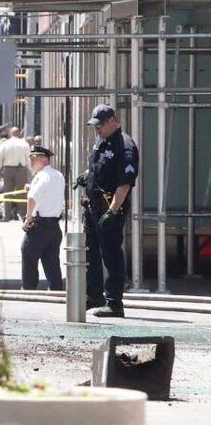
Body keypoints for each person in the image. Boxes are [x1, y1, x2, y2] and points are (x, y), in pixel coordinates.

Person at [80, 104, 138, 318]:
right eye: (95, 126)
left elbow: (125, 183)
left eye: (100, 126)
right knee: (90, 252)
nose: (97, 130)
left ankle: (114, 303)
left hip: (110, 208)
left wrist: (112, 212)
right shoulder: (101, 141)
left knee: (111, 254)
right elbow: (98, 167)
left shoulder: (125, 145)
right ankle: (94, 295)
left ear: (113, 121)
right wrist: (86, 176)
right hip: (92, 207)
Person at [21, 146, 65, 291]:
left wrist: (28, 218)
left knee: (28, 254)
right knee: (51, 261)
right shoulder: (58, 175)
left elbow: (32, 198)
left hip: (39, 225)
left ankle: (28, 290)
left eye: (34, 160)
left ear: (44, 160)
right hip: (54, 226)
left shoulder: (41, 176)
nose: (31, 163)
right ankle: (57, 291)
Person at [0, 126, 30, 221]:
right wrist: (32, 171)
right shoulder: (24, 144)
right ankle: (23, 215)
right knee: (22, 193)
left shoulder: (5, 144)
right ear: (19, 133)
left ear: (10, 133)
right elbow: (28, 158)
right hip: (21, 169)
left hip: (8, 170)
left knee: (7, 192)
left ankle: (6, 216)